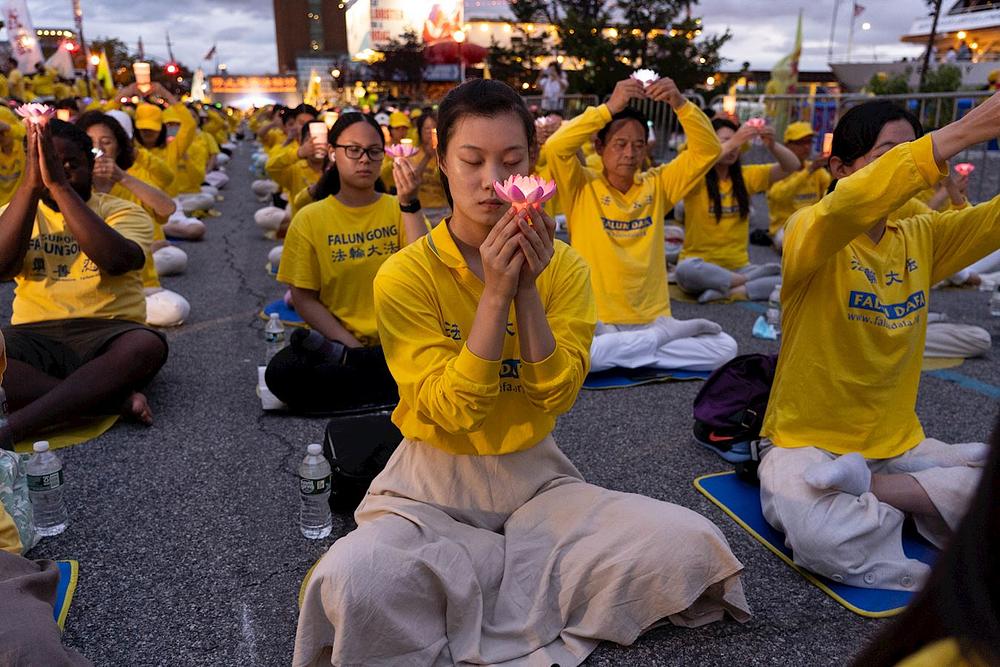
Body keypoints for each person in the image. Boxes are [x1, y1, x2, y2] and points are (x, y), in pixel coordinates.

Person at [293, 79, 749, 667]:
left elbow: (555, 394)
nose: (491, 181)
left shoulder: (564, 269)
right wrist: (493, 296)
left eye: (510, 162)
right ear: (440, 161)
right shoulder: (406, 274)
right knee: (354, 581)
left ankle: (485, 580)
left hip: (536, 485)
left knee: (692, 544)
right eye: (472, 160)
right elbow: (455, 410)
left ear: (532, 166)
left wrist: (525, 289)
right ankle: (505, 578)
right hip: (430, 490)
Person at [758, 97, 1000, 590]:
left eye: (911, 151)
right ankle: (916, 501)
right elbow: (848, 205)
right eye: (888, 153)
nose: (907, 162)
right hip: (808, 443)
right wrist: (967, 129)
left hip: (896, 447)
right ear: (840, 168)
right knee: (822, 538)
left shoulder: (921, 234)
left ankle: (872, 491)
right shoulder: (809, 229)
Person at [543, 77, 737, 373]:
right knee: (565, 357)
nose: (630, 154)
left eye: (637, 145)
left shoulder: (657, 185)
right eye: (620, 144)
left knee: (726, 349)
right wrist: (609, 108)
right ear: (599, 146)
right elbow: (556, 146)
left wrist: (681, 104)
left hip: (653, 317)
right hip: (598, 320)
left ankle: (631, 350)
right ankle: (655, 343)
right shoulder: (581, 186)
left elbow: (708, 150)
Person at [0, 118, 168, 448]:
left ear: (91, 166)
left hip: (109, 330)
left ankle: (14, 428)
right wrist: (31, 187)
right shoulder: (15, 211)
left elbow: (117, 261)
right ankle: (110, 401)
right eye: (48, 165)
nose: (56, 173)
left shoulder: (123, 211)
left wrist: (59, 186)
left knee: (146, 346)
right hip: (35, 332)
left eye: (70, 165)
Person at [265, 113, 428, 413]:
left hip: (403, 342)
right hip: (343, 347)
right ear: (332, 153)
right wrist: (351, 347)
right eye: (353, 150)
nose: (364, 159)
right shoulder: (310, 218)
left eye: (374, 151)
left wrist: (410, 203)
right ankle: (391, 388)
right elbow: (303, 297)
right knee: (282, 372)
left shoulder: (399, 208)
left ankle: (379, 385)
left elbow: (426, 270)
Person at [850, 412, 1000, 667]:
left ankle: (880, 490)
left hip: (897, 448)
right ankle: (894, 492)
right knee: (815, 528)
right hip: (808, 446)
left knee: (825, 536)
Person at [76, 110, 192, 328]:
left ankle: (114, 314)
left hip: (140, 286)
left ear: (119, 148)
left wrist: (122, 177)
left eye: (106, 142)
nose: (98, 149)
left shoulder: (132, 181)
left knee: (176, 309)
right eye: (90, 142)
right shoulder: (72, 186)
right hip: (89, 285)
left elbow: (167, 208)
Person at [675, 118, 800, 302]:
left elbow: (792, 166)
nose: (733, 147)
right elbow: (687, 158)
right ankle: (745, 284)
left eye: (737, 142)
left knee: (790, 276)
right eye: (725, 141)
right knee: (684, 271)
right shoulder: (696, 177)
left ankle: (730, 290)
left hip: (739, 266)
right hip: (701, 265)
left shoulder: (745, 176)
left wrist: (772, 145)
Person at [765, 121, 831, 252]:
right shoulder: (777, 171)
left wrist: (835, 170)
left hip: (811, 225)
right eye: (801, 143)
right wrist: (809, 171)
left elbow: (830, 197)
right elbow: (778, 196)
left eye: (809, 142)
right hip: (785, 227)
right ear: (787, 146)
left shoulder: (817, 171)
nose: (806, 147)